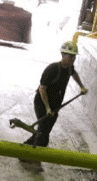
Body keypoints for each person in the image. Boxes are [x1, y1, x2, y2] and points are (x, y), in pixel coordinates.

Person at [19, 40, 88, 172]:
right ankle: (29, 156)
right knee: (44, 134)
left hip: (56, 105)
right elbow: (42, 89)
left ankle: (27, 151)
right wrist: (47, 108)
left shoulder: (69, 68)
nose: (72, 59)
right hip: (42, 103)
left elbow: (74, 74)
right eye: (70, 56)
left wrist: (82, 86)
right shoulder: (52, 69)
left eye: (74, 56)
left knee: (44, 131)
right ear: (63, 55)